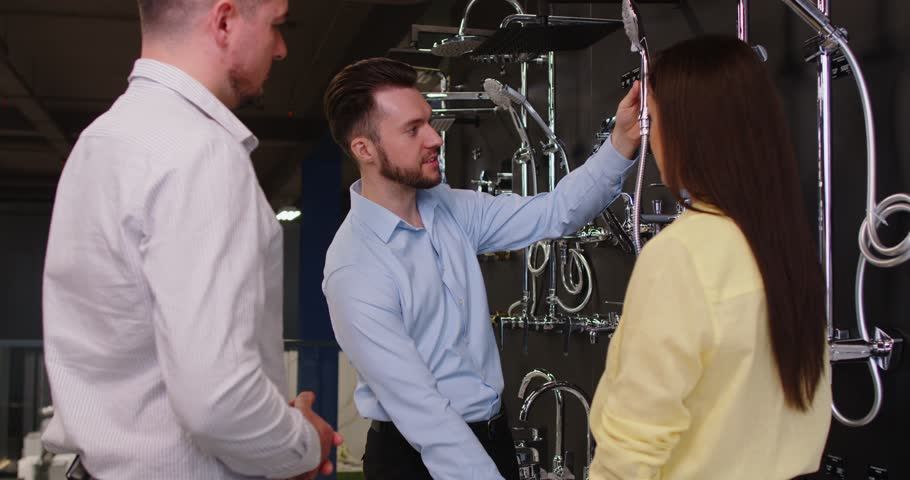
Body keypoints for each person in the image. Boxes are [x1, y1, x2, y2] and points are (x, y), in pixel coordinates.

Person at [42, 1, 340, 478]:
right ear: (224, 22)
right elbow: (218, 399)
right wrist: (303, 442)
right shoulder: (200, 152)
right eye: (276, 26)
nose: (282, 49)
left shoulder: (100, 140)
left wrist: (271, 426)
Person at [321, 57, 641, 480]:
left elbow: (556, 212)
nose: (435, 138)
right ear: (364, 149)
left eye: (429, 122)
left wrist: (620, 142)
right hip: (414, 457)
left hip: (492, 437)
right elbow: (424, 414)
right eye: (413, 129)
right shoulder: (354, 267)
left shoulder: (451, 209)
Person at [588, 35, 832, 480]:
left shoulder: (681, 255)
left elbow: (631, 447)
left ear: (689, 132)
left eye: (653, 120)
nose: (650, 137)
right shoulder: (781, 245)